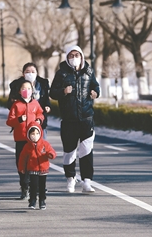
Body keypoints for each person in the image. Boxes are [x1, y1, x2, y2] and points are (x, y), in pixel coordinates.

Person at [49, 45, 100, 193]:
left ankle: (87, 181)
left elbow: (96, 87)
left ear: (82, 56)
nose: (74, 58)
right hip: (69, 120)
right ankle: (70, 179)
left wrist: (95, 92)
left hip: (86, 118)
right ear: (67, 57)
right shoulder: (62, 74)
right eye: (71, 55)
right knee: (69, 152)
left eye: (77, 55)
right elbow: (52, 92)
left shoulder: (89, 72)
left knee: (86, 151)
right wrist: (63, 91)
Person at [6, 80, 44, 199]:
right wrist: (19, 119)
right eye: (23, 89)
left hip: (33, 139)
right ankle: (24, 186)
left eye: (28, 88)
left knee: (33, 164)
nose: (26, 91)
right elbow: (9, 121)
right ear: (19, 91)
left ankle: (34, 187)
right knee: (21, 164)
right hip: (21, 139)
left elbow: (40, 114)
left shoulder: (35, 104)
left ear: (32, 90)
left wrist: (39, 120)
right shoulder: (16, 105)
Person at [18, 121, 56, 210]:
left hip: (43, 169)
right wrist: (22, 168)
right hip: (32, 168)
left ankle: (42, 201)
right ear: (29, 134)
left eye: (37, 133)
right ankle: (32, 201)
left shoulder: (45, 144)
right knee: (33, 185)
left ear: (40, 133)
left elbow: (52, 151)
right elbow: (22, 158)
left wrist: (50, 154)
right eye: (32, 134)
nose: (35, 136)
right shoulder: (27, 146)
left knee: (42, 186)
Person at [7, 62, 51, 138]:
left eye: (33, 72)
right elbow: (10, 105)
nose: (30, 74)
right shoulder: (16, 86)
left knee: (40, 147)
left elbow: (46, 100)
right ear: (23, 74)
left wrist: (47, 107)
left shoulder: (42, 84)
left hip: (38, 123)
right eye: (27, 72)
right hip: (22, 125)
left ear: (37, 73)